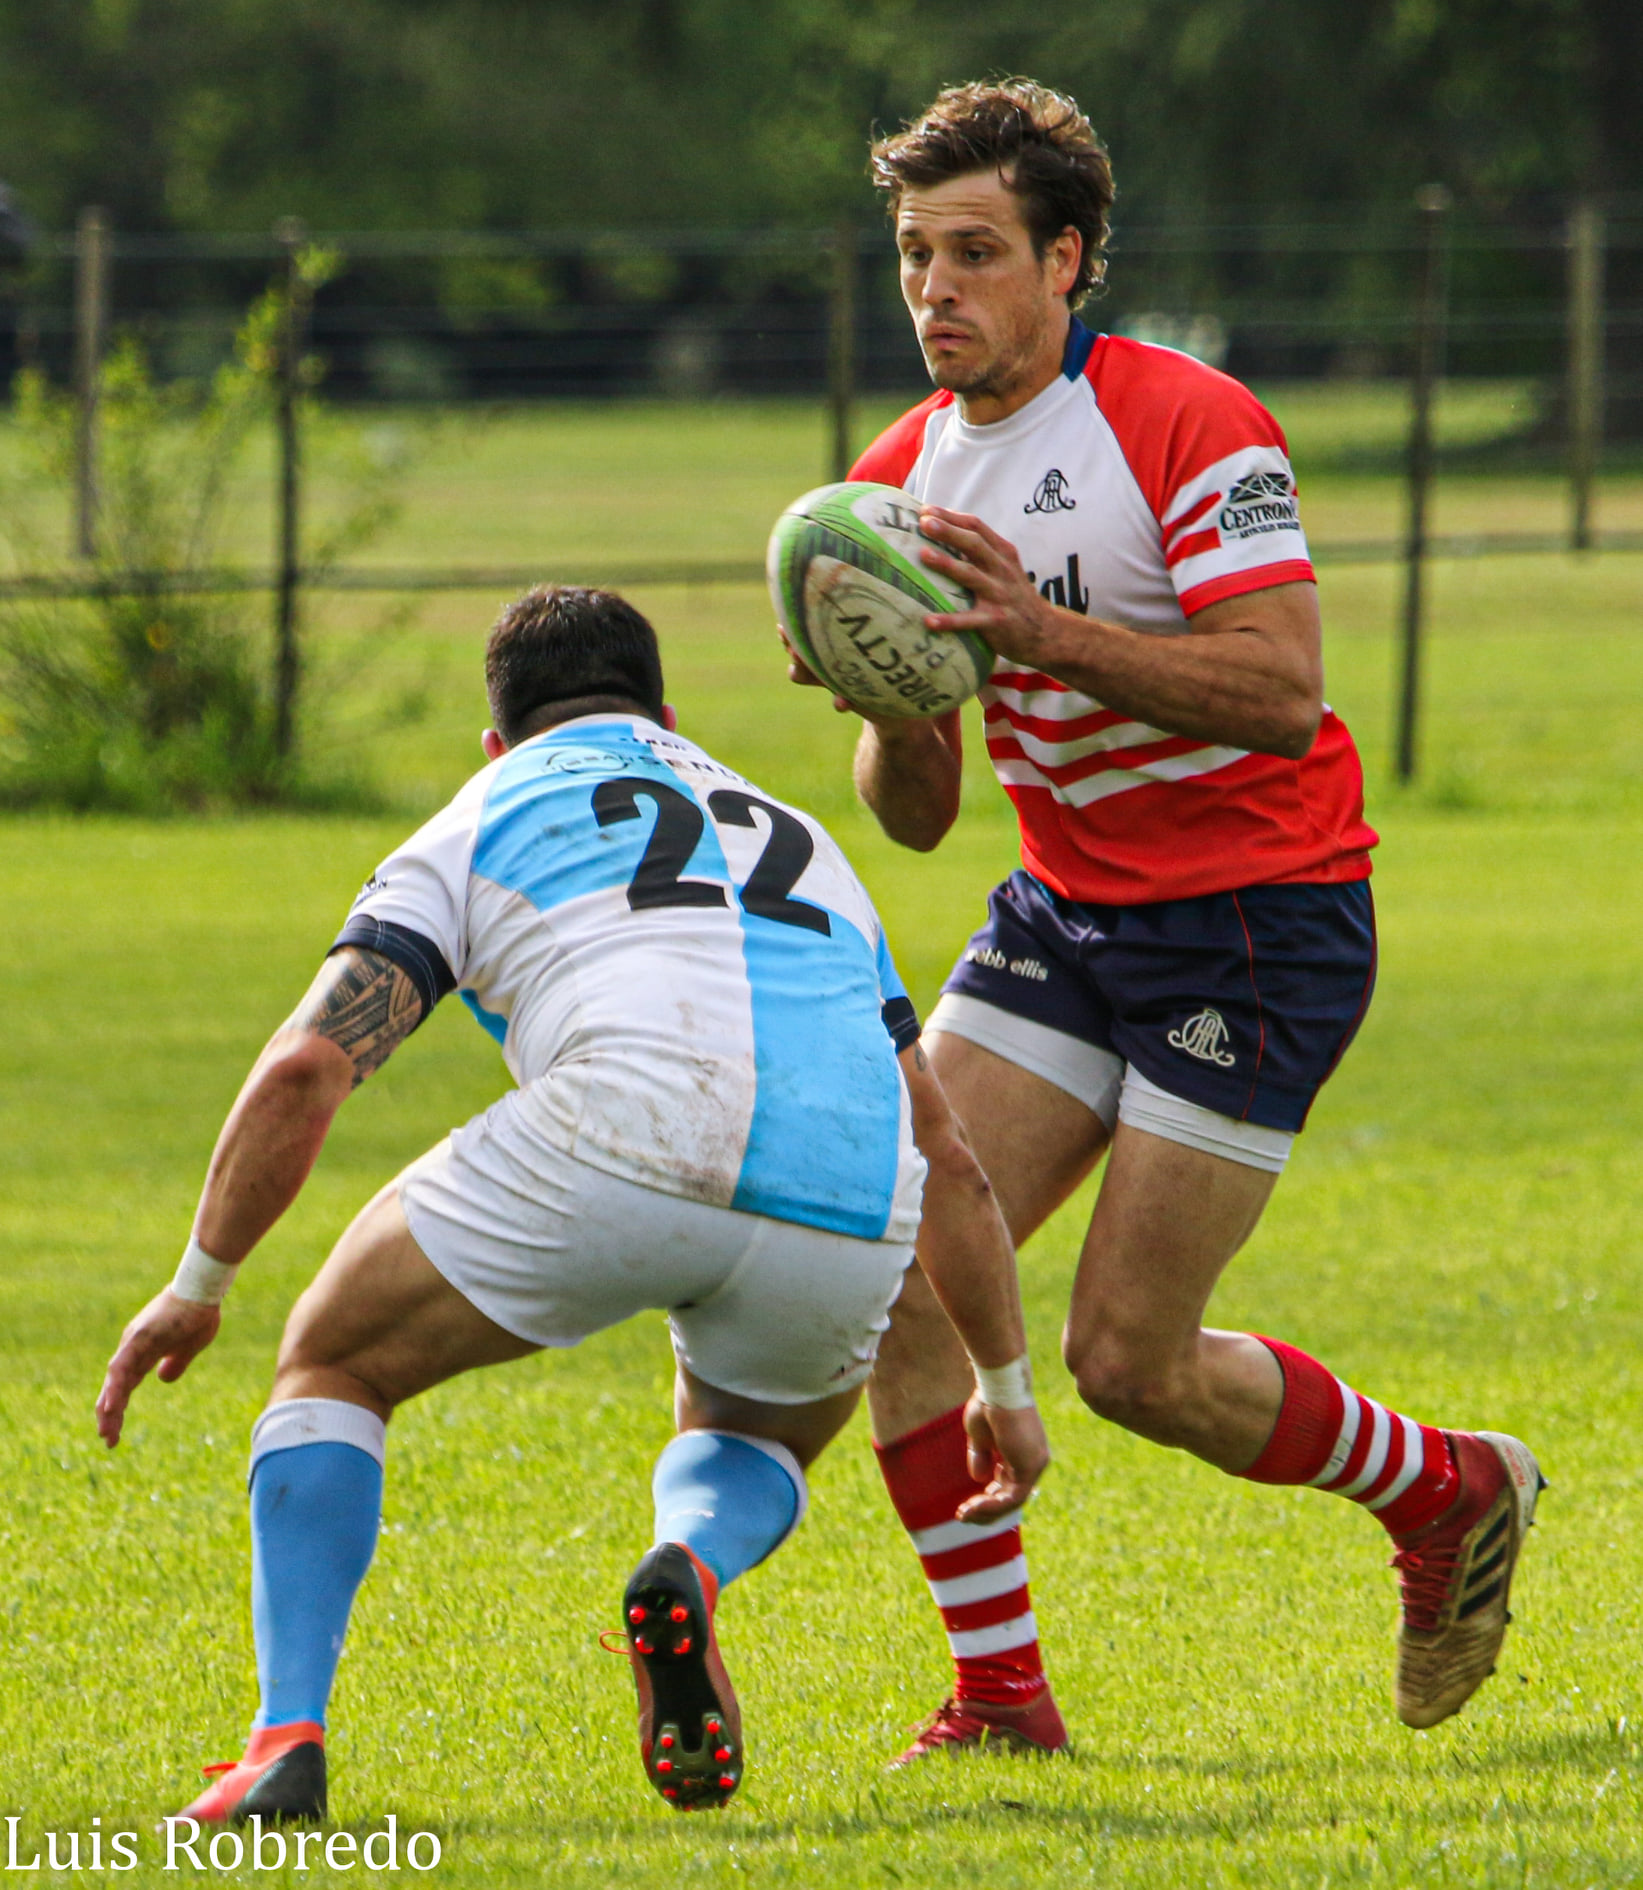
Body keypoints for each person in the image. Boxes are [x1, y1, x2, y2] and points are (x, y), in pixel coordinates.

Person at [784, 80, 1544, 1761]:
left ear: (1065, 260)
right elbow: (914, 820)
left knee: (1126, 1360)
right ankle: (1000, 1703)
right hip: (1065, 913)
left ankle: (1447, 1487)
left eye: (973, 251)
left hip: (1253, 921)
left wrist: (1031, 639)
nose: (933, 288)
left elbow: (1280, 695)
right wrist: (891, 692)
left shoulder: (1188, 422)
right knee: (905, 1268)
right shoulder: (892, 479)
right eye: (912, 254)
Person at [96, 584, 1049, 1823]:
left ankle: (284, 1739)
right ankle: (693, 1563)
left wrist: (197, 1287)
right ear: (666, 712)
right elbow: (953, 1162)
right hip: (847, 1180)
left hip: (624, 1130)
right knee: (757, 1435)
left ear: (498, 739)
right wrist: (1006, 1389)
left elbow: (303, 1069)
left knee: (329, 1363)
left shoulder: (486, 806)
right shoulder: (803, 839)